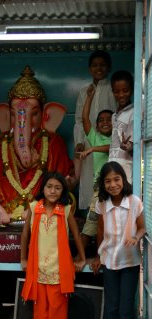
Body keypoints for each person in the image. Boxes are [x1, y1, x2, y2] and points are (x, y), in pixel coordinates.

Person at [0, 66, 75, 222]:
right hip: (6, 210)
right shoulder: (1, 143)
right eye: (14, 115)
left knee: (70, 201)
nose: (23, 122)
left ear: (47, 115)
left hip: (40, 208)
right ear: (6, 116)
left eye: (33, 114)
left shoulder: (53, 142)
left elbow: (62, 181)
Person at [20, 171, 86, 319]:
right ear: (43, 188)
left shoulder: (65, 209)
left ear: (63, 191)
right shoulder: (34, 207)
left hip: (59, 270)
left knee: (57, 313)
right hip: (38, 269)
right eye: (49, 186)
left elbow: (76, 233)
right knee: (41, 313)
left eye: (58, 188)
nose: (53, 191)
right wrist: (23, 258)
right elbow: (25, 235)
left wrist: (81, 258)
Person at [92, 161, 145, 319]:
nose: (113, 184)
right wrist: (97, 256)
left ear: (123, 180)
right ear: (103, 185)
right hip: (109, 262)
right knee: (112, 307)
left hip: (130, 262)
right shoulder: (102, 204)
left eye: (116, 179)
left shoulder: (134, 202)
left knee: (126, 309)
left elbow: (142, 227)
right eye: (108, 181)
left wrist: (137, 237)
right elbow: (100, 232)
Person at [73, 50, 117, 210]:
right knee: (87, 176)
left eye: (103, 65)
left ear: (108, 67)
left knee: (107, 174)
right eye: (95, 65)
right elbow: (79, 119)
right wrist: (79, 141)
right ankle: (87, 211)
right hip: (88, 139)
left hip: (108, 141)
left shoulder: (112, 89)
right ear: (89, 68)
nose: (99, 68)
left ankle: (107, 209)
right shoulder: (84, 91)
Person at [79, 84, 113, 251]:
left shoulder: (118, 137)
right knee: (92, 221)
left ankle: (103, 256)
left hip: (114, 186)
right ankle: (81, 256)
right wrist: (90, 97)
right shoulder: (96, 137)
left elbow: (112, 147)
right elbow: (85, 118)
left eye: (109, 120)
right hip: (99, 188)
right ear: (97, 126)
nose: (105, 122)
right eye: (101, 120)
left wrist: (92, 149)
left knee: (110, 223)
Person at [109, 70, 134, 183]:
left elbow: (132, 143)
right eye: (117, 91)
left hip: (126, 170)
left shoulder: (134, 112)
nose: (121, 95)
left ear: (132, 90)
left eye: (125, 91)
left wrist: (128, 145)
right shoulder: (114, 115)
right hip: (112, 168)